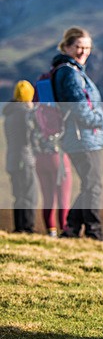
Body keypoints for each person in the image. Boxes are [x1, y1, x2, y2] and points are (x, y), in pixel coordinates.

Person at [51, 27, 103, 240]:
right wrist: (99, 120)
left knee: (90, 184)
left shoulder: (70, 71)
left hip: (82, 137)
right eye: (78, 47)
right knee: (93, 186)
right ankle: (94, 233)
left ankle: (71, 229)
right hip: (82, 137)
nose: (83, 52)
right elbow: (79, 107)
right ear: (66, 47)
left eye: (87, 48)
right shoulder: (70, 73)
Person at [34, 70, 73, 239]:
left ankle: (51, 232)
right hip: (58, 156)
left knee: (48, 198)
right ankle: (65, 230)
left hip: (39, 157)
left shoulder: (35, 109)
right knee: (63, 198)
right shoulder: (59, 107)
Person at [4, 80, 38, 233]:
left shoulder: (9, 113)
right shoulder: (25, 113)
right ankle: (27, 227)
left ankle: (19, 227)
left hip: (11, 158)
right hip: (24, 158)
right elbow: (29, 136)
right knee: (29, 194)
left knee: (18, 195)